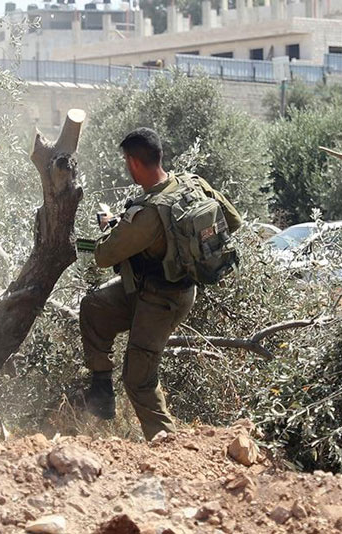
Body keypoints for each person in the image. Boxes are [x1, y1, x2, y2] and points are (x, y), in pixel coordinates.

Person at [80, 127, 241, 440]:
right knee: (94, 307)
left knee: (138, 380)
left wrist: (113, 228)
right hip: (154, 289)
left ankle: (166, 445)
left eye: (126, 162)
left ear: (133, 162)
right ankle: (101, 391)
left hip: (161, 301)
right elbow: (233, 221)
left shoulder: (150, 213)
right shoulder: (192, 183)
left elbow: (103, 256)